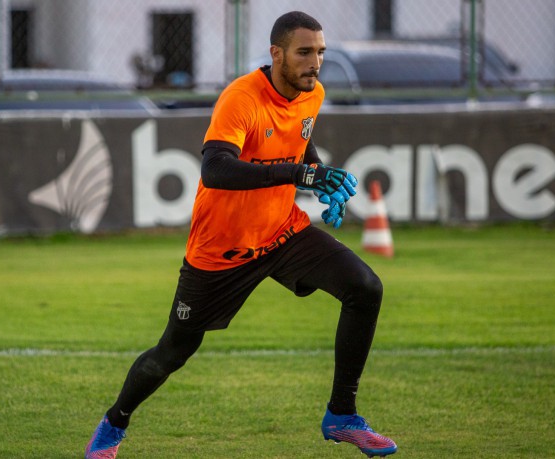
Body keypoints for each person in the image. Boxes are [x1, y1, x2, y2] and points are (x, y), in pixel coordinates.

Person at [85, 11, 397, 459]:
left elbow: (299, 142)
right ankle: (114, 423)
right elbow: (215, 169)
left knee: (365, 288)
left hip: (282, 231)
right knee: (172, 351)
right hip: (222, 250)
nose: (315, 63)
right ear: (277, 54)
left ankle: (341, 416)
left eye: (320, 53)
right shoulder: (241, 99)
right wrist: (302, 173)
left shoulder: (314, 94)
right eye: (304, 52)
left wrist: (322, 177)